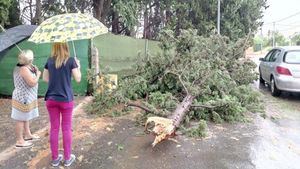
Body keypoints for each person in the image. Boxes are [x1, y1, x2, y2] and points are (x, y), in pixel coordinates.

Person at [43, 42, 81, 167]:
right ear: (66, 47)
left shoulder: (49, 61)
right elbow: (78, 79)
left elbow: (45, 79)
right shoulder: (70, 61)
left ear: (54, 47)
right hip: (66, 100)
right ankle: (67, 158)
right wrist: (78, 66)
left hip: (51, 100)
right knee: (66, 128)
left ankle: (55, 159)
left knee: (54, 128)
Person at [11, 50, 41, 148]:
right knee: (20, 118)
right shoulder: (23, 69)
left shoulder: (25, 66)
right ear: (30, 59)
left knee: (25, 116)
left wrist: (34, 71)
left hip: (27, 96)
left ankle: (28, 135)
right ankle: (19, 140)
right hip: (22, 97)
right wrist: (38, 75)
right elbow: (32, 83)